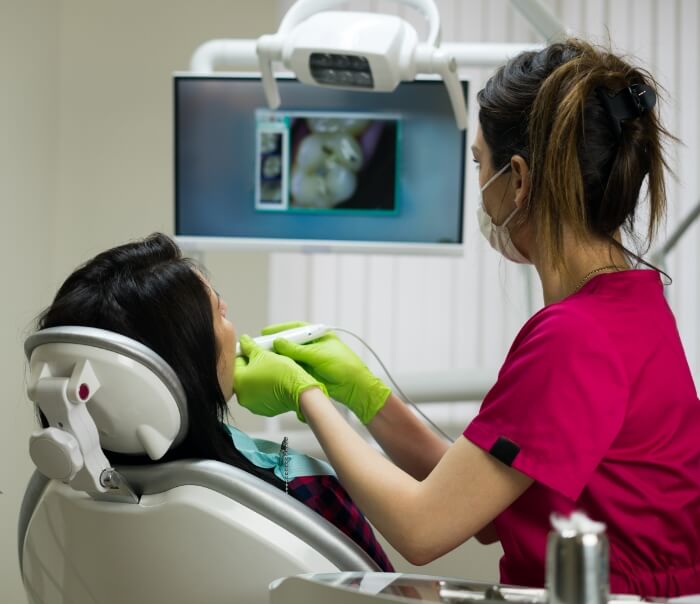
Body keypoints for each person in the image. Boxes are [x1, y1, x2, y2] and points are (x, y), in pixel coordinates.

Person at [233, 39, 700, 596]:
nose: (479, 184)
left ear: (519, 180)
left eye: (480, 163)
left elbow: (423, 527)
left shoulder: (574, 337)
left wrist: (306, 397)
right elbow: (475, 503)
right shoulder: (632, 304)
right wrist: (365, 395)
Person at [35, 232, 393, 571]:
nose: (229, 316)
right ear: (192, 363)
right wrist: (308, 393)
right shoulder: (302, 493)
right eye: (219, 313)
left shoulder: (63, 501)